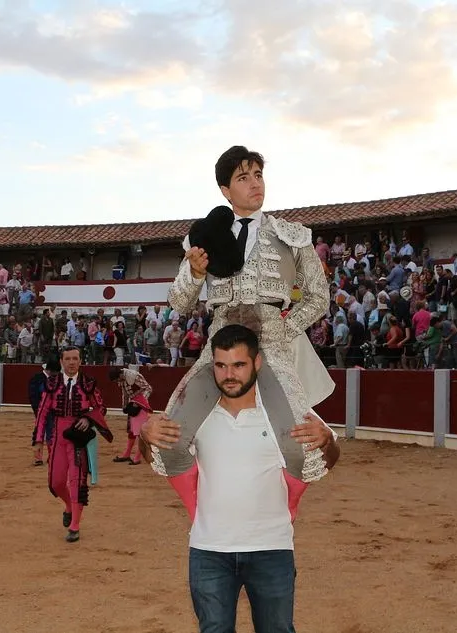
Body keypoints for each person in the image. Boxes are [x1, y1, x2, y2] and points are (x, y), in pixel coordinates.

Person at [152, 145, 333, 517]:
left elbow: (319, 297)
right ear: (225, 190)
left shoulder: (292, 236)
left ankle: (284, 516)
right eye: (243, 177)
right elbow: (179, 302)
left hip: (271, 343)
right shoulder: (202, 238)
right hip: (221, 343)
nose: (254, 184)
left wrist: (286, 327)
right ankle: (204, 517)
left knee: (300, 449)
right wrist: (196, 273)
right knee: (169, 440)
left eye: (258, 175)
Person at [139, 324, 339, 633]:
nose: (229, 374)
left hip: (271, 548)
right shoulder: (195, 415)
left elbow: (329, 456)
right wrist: (144, 434)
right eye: (220, 365)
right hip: (209, 551)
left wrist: (328, 440)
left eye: (238, 365)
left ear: (257, 363)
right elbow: (160, 454)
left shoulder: (284, 413)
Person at [33, 347, 113, 542]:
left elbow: (101, 407)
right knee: (56, 482)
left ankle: (75, 525)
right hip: (58, 435)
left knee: (77, 481)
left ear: (80, 361)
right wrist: (38, 440)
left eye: (75, 359)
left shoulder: (89, 383)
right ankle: (69, 505)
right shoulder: (52, 383)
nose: (71, 362)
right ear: (61, 361)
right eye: (67, 359)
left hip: (78, 436)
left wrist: (88, 418)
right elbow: (43, 412)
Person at [110, 366, 154, 465]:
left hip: (141, 406)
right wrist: (125, 406)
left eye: (117, 379)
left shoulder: (134, 376)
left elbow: (148, 388)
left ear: (120, 374)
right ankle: (127, 454)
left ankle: (138, 457)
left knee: (140, 433)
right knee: (131, 430)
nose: (117, 381)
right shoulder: (122, 379)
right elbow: (125, 394)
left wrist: (141, 403)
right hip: (133, 404)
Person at [29, 359, 62, 466]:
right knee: (39, 433)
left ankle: (51, 456)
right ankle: (38, 458)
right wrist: (37, 411)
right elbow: (33, 397)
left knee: (51, 433)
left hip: (53, 411)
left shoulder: (55, 379)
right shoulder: (37, 379)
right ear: (50, 371)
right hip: (41, 411)